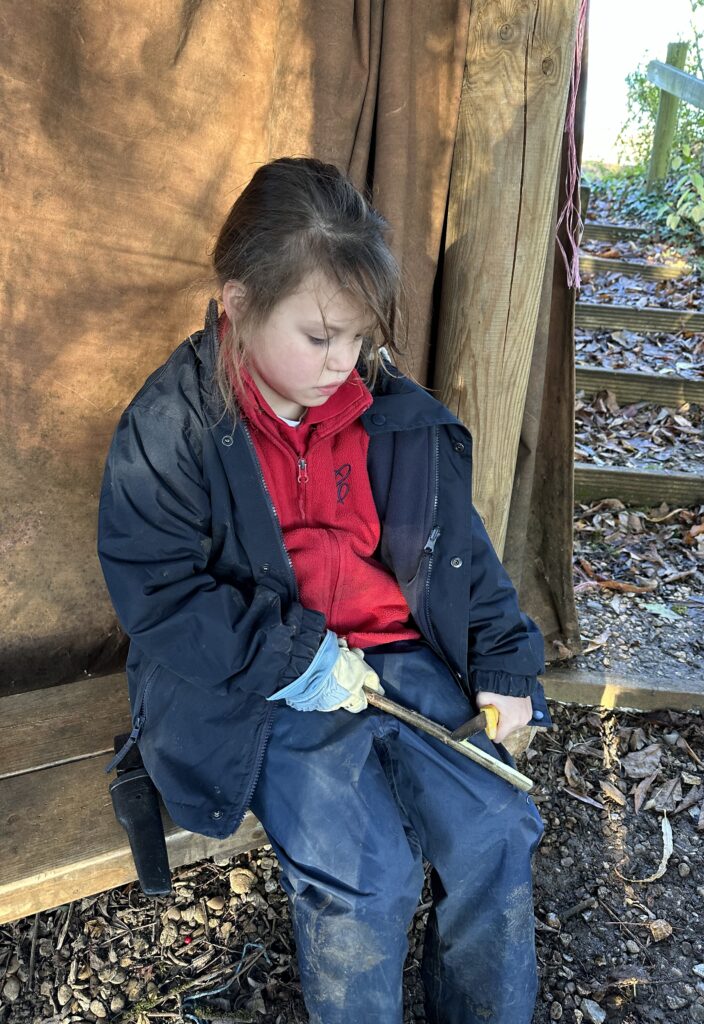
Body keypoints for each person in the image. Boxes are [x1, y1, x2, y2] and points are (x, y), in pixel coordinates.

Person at [98, 156, 553, 1024]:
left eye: (358, 336)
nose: (343, 362)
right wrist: (293, 657)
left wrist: (502, 662)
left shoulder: (392, 414)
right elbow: (158, 591)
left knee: (498, 833)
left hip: (398, 658)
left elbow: (465, 558)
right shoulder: (172, 425)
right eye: (318, 337)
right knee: (367, 875)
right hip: (266, 682)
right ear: (236, 304)